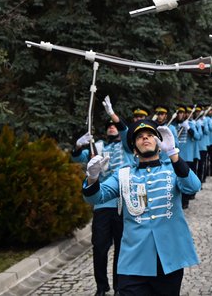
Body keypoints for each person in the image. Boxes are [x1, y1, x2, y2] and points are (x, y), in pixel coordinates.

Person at [82, 119, 201, 296]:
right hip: (133, 261)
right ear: (134, 149)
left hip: (168, 258)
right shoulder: (123, 174)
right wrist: (92, 178)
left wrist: (174, 154)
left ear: (159, 144)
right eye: (140, 137)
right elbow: (96, 197)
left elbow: (192, 187)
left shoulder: (173, 169)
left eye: (150, 135)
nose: (145, 138)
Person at [72, 121, 129, 296]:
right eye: (108, 126)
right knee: (99, 247)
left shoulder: (127, 146)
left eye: (114, 126)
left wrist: (114, 116)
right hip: (102, 204)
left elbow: (126, 132)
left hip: (122, 204)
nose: (111, 127)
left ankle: (119, 286)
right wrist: (79, 144)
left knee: (122, 248)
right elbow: (77, 157)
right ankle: (101, 286)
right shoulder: (96, 147)